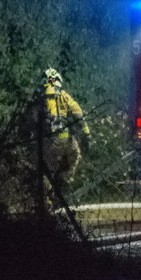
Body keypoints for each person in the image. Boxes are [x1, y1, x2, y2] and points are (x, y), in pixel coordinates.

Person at [35, 67, 90, 202]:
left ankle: (47, 202)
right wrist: (87, 135)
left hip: (49, 142)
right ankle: (64, 185)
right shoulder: (65, 96)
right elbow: (78, 115)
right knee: (73, 160)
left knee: (46, 172)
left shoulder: (40, 97)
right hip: (66, 140)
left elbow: (32, 119)